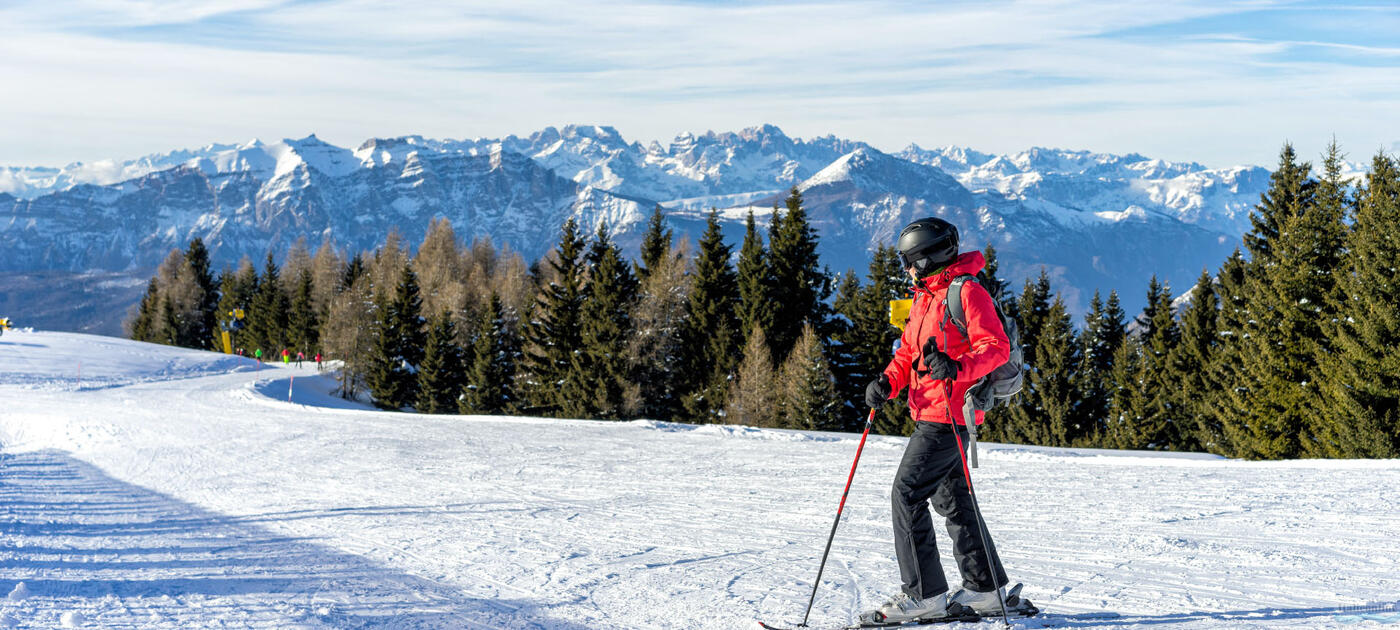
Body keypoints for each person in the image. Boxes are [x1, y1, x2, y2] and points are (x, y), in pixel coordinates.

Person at [860, 217, 1013, 624]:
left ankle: (924, 595)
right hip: (930, 410)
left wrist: (958, 365)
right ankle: (985, 589)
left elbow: (995, 347)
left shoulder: (967, 292)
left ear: (930, 257)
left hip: (949, 415)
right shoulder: (926, 296)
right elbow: (907, 353)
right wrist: (886, 383)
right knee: (953, 500)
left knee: (907, 494)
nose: (907, 268)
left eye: (911, 260)